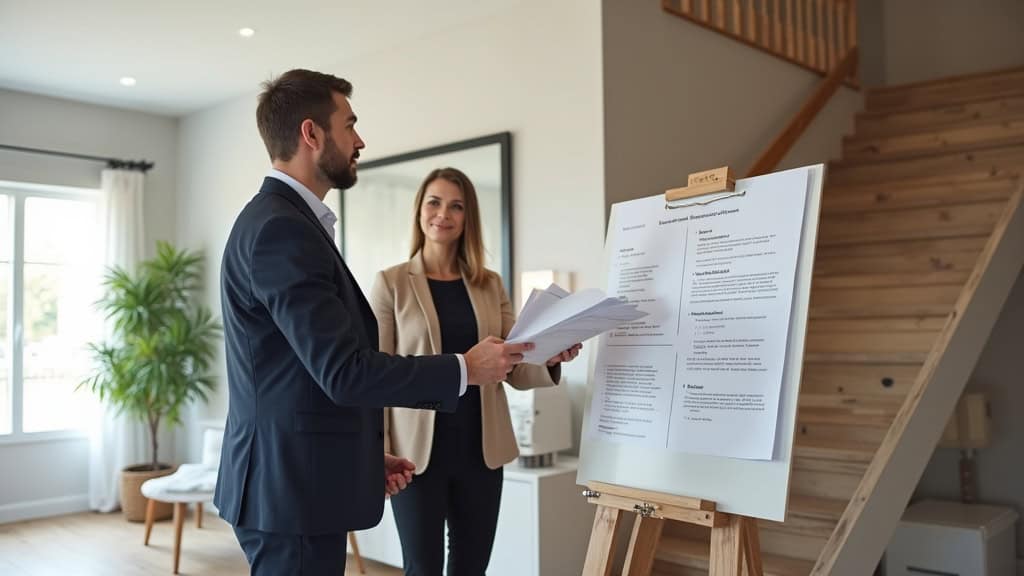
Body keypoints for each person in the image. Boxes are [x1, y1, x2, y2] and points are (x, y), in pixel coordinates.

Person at [215, 69, 534, 576]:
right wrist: (465, 368)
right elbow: (346, 372)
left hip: (297, 481)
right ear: (311, 134)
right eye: (350, 125)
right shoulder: (282, 229)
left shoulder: (283, 222)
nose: (359, 141)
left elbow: (305, 378)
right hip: (291, 491)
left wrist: (361, 456)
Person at [370, 167, 582, 576]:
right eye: (434, 202)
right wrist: (376, 450)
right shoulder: (391, 283)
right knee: (422, 568)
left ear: (468, 218)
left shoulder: (490, 285)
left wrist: (551, 358)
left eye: (456, 206)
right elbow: (379, 375)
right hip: (415, 455)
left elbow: (514, 365)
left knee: (471, 568)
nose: (443, 214)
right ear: (419, 209)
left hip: (481, 452)